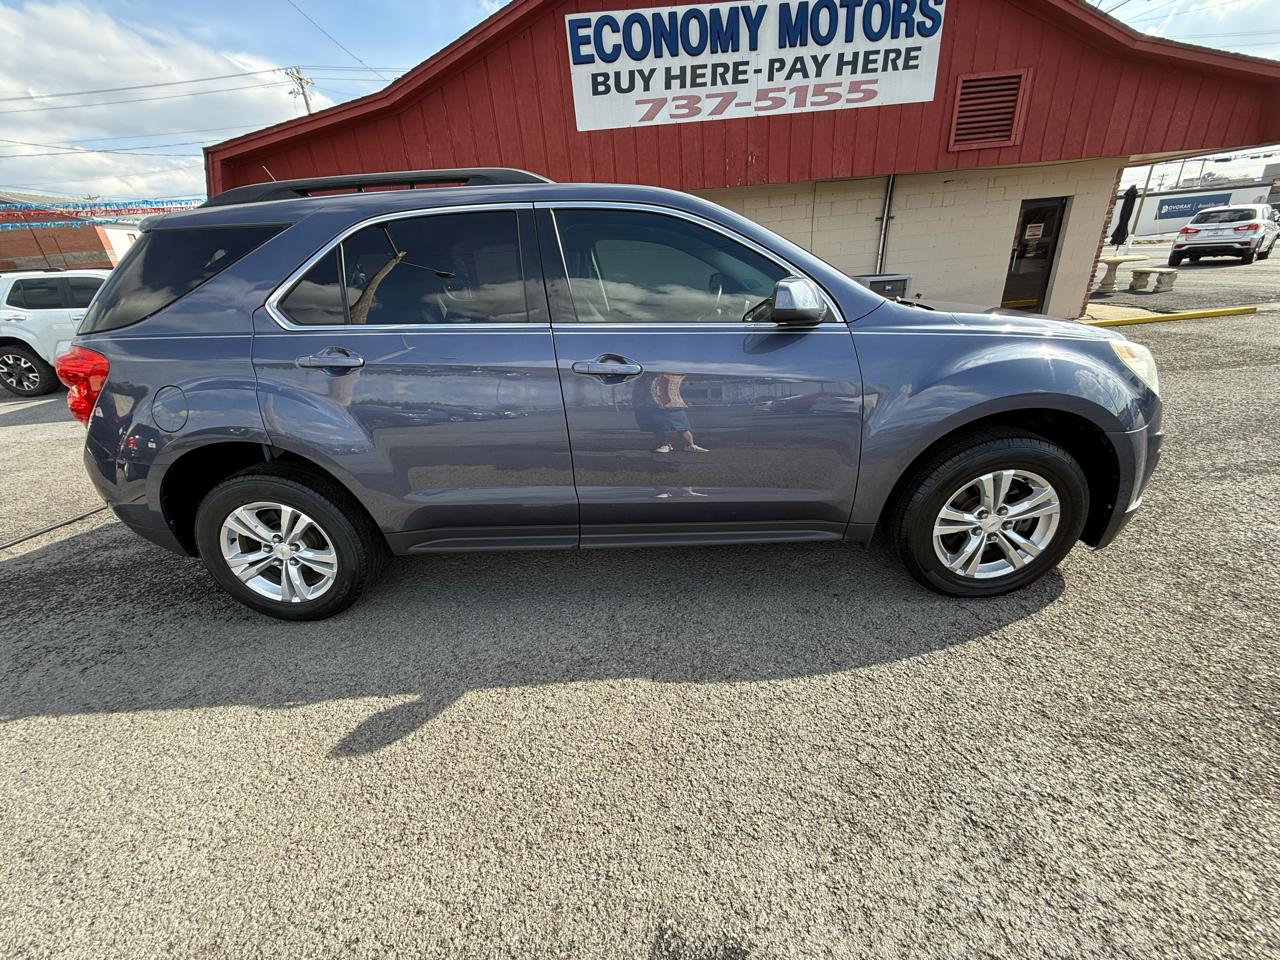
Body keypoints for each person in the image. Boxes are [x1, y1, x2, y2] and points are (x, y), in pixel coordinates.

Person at [633, 371, 708, 453]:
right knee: (657, 427)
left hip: (672, 401)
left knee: (682, 427)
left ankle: (690, 445)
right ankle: (663, 445)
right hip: (651, 403)